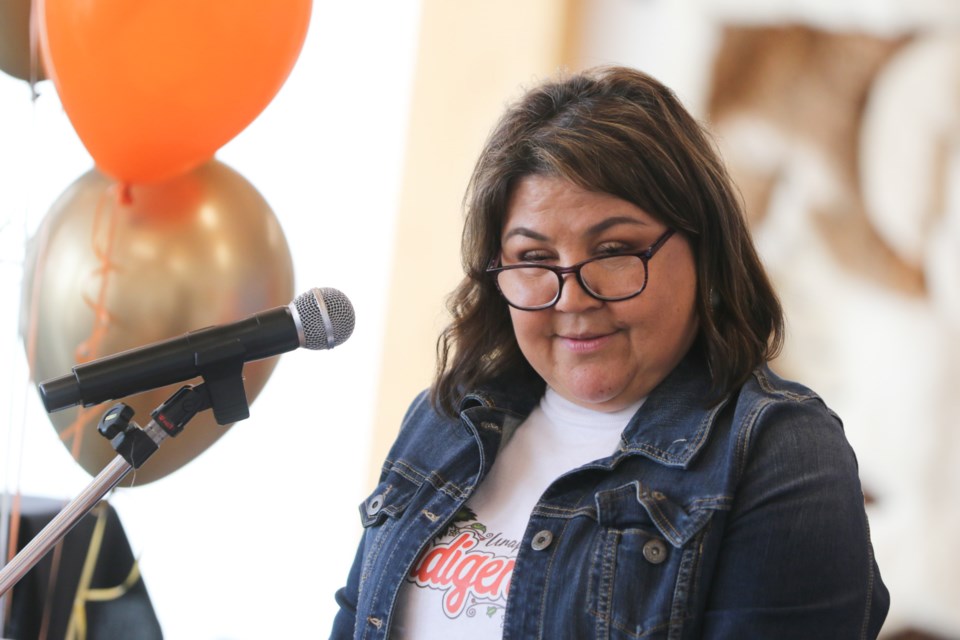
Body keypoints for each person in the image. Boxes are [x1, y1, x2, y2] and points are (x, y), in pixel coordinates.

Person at [330, 66, 889, 639]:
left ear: (703, 249)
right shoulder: (445, 421)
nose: (572, 297)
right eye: (534, 258)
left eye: (615, 250)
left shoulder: (780, 450)